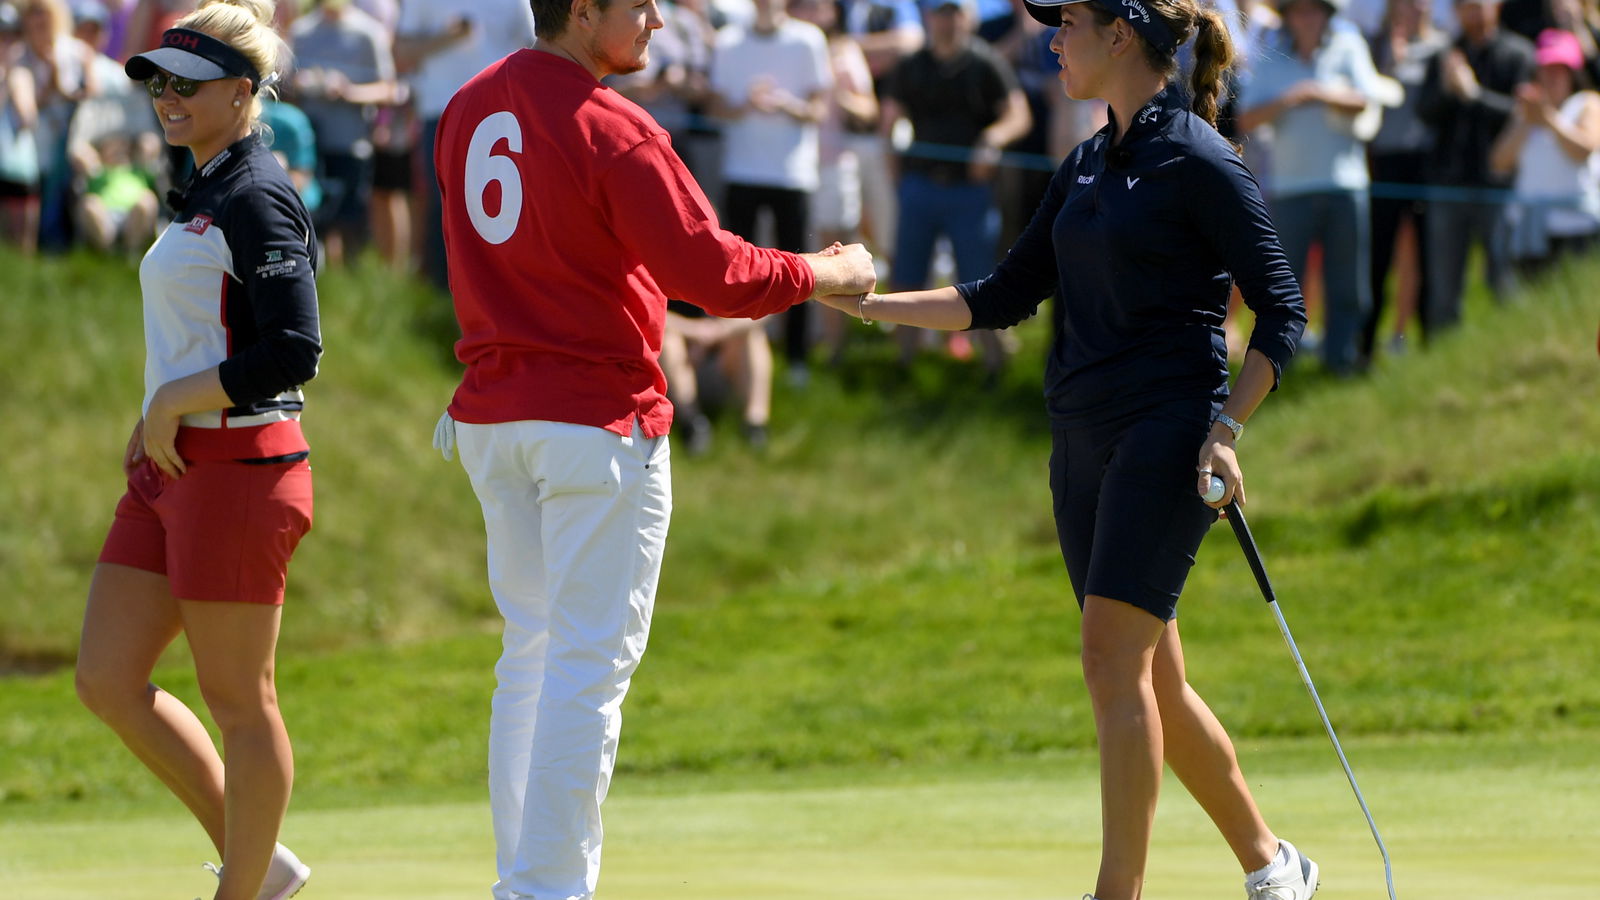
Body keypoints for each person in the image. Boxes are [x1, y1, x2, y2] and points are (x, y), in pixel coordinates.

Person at [818, 0, 1313, 896]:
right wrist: (861, 303)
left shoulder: (1199, 157)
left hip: (1167, 434)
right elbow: (1000, 295)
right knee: (1153, 679)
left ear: (1120, 34)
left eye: (1069, 24)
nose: (1051, 39)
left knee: (1106, 659)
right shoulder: (1085, 163)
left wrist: (1228, 425)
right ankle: (1274, 863)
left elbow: (1284, 311)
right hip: (1079, 437)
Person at [427, 0, 877, 897]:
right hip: (591, 419)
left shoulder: (471, 102)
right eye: (638, 5)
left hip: (492, 414)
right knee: (584, 671)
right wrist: (833, 274)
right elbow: (712, 276)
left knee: (531, 657)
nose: (659, 20)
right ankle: (543, 888)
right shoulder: (613, 124)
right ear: (583, 9)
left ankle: (523, 877)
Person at [72, 3, 319, 900]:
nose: (167, 99)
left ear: (243, 93)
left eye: (188, 84)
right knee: (105, 676)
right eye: (160, 84)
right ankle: (262, 861)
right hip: (171, 471)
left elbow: (296, 351)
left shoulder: (256, 193)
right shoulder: (207, 183)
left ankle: (242, 888)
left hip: (241, 474)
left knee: (241, 706)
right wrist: (153, 415)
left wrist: (175, 398)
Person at [1235, 0, 1386, 376]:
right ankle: (1282, 365)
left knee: (1347, 285)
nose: (1307, 17)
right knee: (1286, 289)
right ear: (1287, 17)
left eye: (1314, 9)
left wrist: (1318, 93)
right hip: (1289, 187)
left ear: (1327, 15)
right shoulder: (1272, 56)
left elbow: (1366, 98)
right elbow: (1246, 118)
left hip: (1345, 184)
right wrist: (1289, 100)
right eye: (1299, 10)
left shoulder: (1348, 44)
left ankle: (1341, 363)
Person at [881, 0, 1032, 375]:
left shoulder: (986, 63)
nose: (947, 22)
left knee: (980, 281)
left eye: (955, 13)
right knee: (907, 277)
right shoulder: (912, 65)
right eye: (940, 13)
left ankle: (994, 363)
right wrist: (897, 176)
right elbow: (889, 120)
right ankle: (903, 362)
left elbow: (1018, 114)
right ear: (928, 18)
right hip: (920, 186)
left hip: (971, 192)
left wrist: (992, 139)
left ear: (969, 18)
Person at [708, 0, 833, 383]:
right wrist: (745, 106)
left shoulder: (808, 39)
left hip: (791, 175)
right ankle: (736, 357)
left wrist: (785, 105)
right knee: (734, 273)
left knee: (800, 267)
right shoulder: (728, 41)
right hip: (742, 171)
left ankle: (796, 357)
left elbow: (818, 109)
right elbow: (715, 107)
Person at [394, 0, 534, 291]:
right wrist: (448, 36)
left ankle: (501, 297)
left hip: (501, 115)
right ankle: (442, 301)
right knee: (442, 208)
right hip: (441, 112)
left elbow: (538, 49)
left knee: (505, 207)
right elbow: (401, 53)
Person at [1416, 0, 1534, 333]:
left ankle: (1514, 345)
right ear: (1455, 11)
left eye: (1479, 5)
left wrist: (1473, 94)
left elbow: (1522, 113)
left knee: (1502, 277)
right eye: (1465, 7)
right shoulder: (1445, 56)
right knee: (1444, 285)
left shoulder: (1518, 53)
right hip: (1448, 185)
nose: (1474, 13)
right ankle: (1443, 358)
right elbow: (1424, 113)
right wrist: (1450, 89)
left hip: (1499, 186)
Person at [1361, 0, 1447, 361]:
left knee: (1427, 254)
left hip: (1422, 163)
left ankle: (1428, 338)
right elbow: (1366, 95)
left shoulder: (1440, 48)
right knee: (1378, 256)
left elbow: (1437, 107)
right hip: (1383, 162)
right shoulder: (1375, 45)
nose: (1414, 10)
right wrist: (1388, 65)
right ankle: (1364, 346)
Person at [289, 0, 398, 265]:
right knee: (313, 220)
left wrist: (349, 92)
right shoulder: (301, 31)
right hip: (312, 144)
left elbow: (389, 89)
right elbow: (290, 87)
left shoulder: (368, 33)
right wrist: (303, 85)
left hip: (351, 143)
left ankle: (351, 287)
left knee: (351, 221)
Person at [1491, 28, 1600, 275]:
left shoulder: (1588, 103)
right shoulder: (1526, 112)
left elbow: (1583, 149)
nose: (1552, 77)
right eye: (1547, 68)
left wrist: (1548, 118)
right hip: (1532, 229)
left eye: (1559, 69)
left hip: (1578, 227)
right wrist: (1528, 121)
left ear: (1572, 73)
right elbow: (1499, 163)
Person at [0, 2, 43, 252]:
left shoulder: (21, 76)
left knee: (21, 249)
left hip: (18, 169)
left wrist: (12, 82)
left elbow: (28, 119)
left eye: (9, 37)